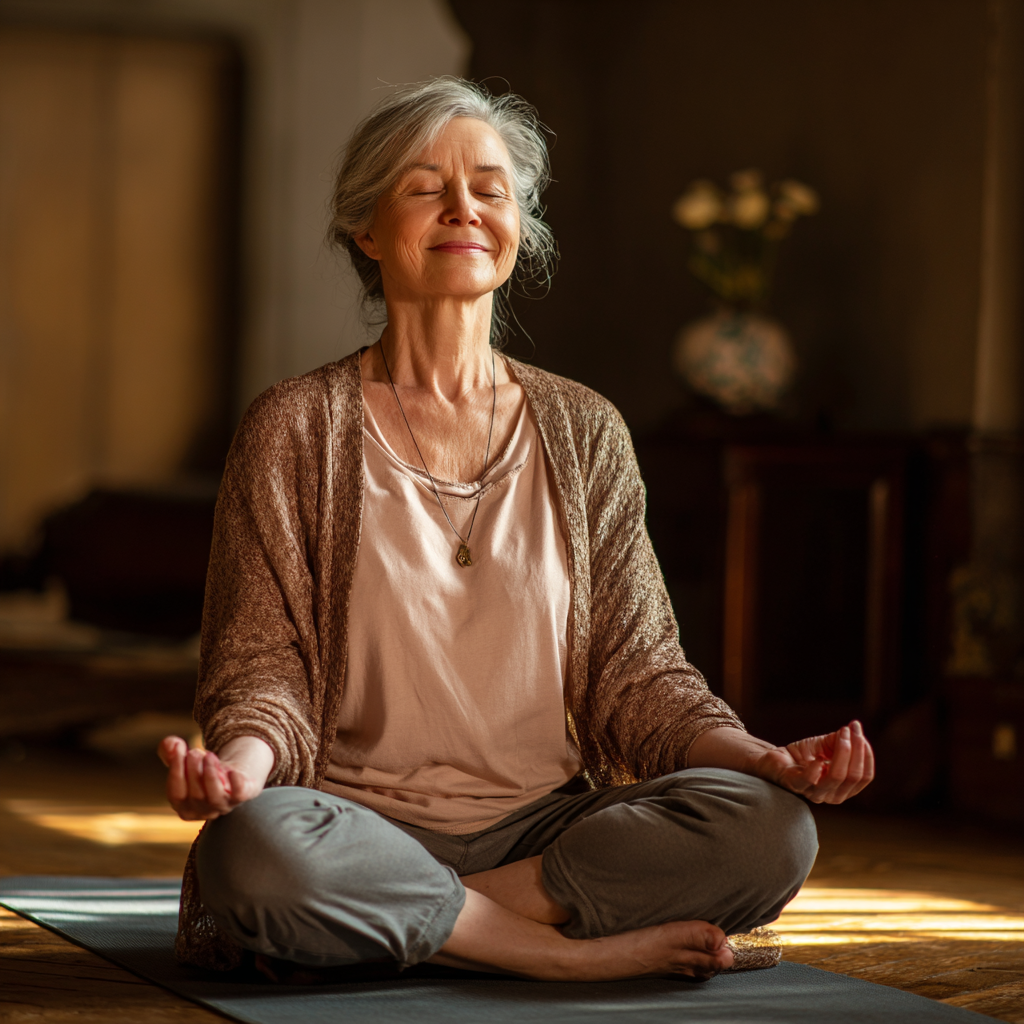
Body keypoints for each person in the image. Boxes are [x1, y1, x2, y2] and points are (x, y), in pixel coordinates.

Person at [159, 78, 873, 983]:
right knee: (255, 853)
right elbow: (262, 668)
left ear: (518, 228)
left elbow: (640, 674)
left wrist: (762, 759)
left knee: (772, 829)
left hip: (546, 836)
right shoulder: (293, 428)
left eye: (491, 190)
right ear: (367, 231)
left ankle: (424, 924)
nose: (464, 208)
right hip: (354, 825)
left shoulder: (586, 430)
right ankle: (549, 951)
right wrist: (237, 773)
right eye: (425, 187)